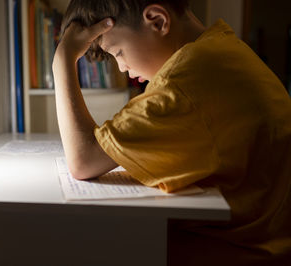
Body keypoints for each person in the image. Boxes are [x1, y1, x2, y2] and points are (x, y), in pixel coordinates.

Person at [52, 0, 291, 265]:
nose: (121, 67)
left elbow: (83, 160)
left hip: (240, 253)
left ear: (158, 21)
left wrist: (62, 60)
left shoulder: (184, 84)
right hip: (269, 242)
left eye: (118, 52)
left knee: (79, 243)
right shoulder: (222, 47)